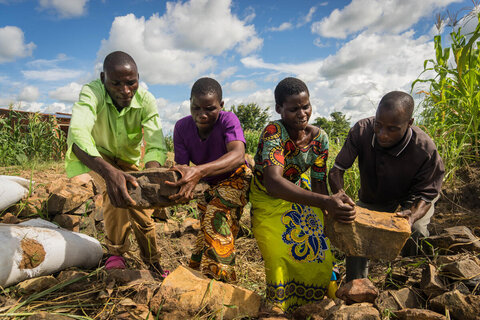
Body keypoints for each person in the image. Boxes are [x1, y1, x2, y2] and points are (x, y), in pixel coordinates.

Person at [249, 77, 356, 312]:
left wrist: (330, 210)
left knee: (320, 249)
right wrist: (326, 201)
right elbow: (274, 183)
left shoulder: (320, 139)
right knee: (277, 254)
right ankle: (279, 309)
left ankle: (320, 303)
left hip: (301, 192)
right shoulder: (273, 132)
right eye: (293, 109)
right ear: (279, 109)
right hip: (268, 198)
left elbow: (318, 183)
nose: (302, 114)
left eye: (305, 106)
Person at [65, 51, 168, 274]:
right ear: (103, 79)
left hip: (128, 160)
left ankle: (152, 261)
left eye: (131, 83)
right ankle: (116, 254)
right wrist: (110, 173)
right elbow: (78, 132)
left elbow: (156, 144)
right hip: (99, 156)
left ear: (138, 78)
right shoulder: (93, 92)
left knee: (141, 206)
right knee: (115, 195)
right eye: (116, 84)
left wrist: (150, 177)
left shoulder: (147, 101)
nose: (125, 91)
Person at [328, 91, 445, 283]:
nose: (382, 134)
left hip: (413, 196)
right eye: (379, 125)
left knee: (416, 231)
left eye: (392, 129)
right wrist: (340, 195)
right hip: (376, 195)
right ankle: (355, 285)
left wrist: (412, 216)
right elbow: (336, 171)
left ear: (409, 123)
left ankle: (410, 278)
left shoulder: (425, 149)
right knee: (354, 225)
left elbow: (427, 194)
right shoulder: (362, 130)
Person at [167, 77, 252, 282]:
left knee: (217, 216)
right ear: (189, 103)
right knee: (207, 227)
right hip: (207, 183)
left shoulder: (228, 120)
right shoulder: (181, 128)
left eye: (210, 108)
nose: (202, 115)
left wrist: (199, 171)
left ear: (221, 106)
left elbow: (237, 155)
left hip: (236, 177)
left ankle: (222, 282)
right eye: (196, 107)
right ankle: (198, 275)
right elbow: (183, 167)